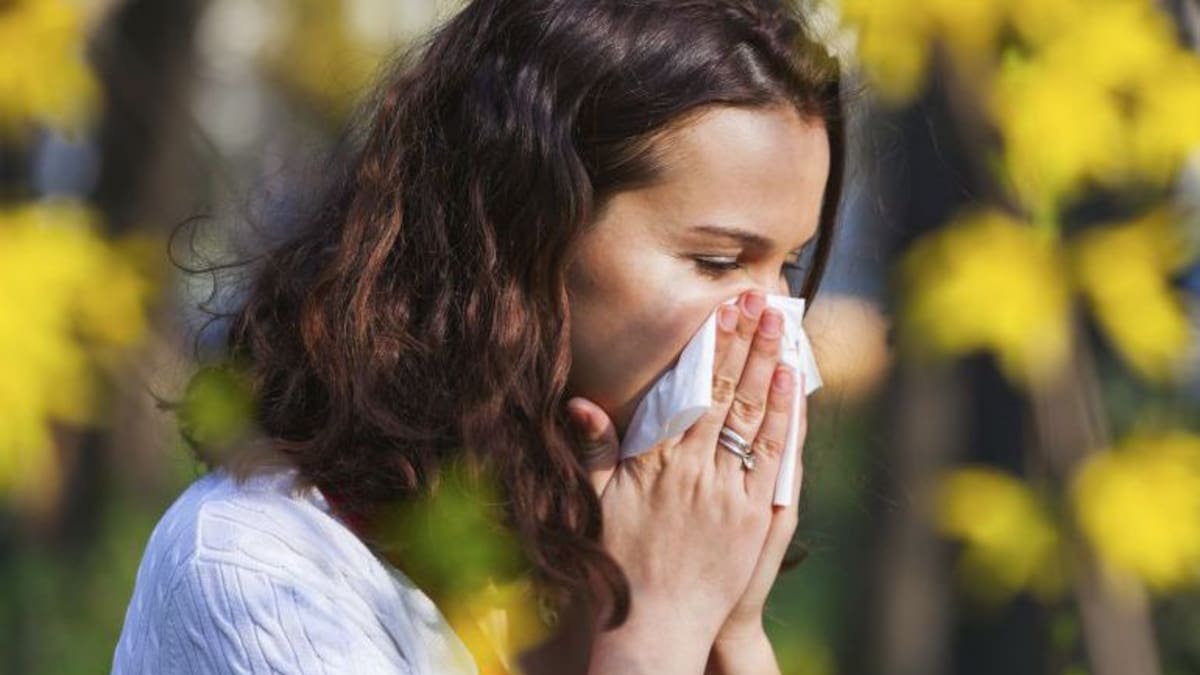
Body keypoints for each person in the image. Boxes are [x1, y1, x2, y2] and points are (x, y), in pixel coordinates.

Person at [111, 0, 844, 672]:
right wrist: (657, 624)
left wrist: (731, 628)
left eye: (790, 267)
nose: (775, 327)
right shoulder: (258, 569)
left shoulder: (573, 549)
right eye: (718, 261)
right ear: (525, 234)